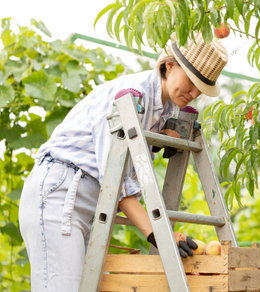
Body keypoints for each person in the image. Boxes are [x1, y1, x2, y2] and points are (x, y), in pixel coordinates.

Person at [18, 32, 228, 291]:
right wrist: (158, 235)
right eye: (191, 81)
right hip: (60, 192)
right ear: (169, 65)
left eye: (201, 88)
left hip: (83, 203)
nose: (195, 93)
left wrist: (158, 137)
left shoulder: (161, 108)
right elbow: (114, 178)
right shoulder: (132, 97)